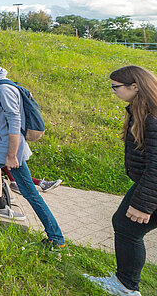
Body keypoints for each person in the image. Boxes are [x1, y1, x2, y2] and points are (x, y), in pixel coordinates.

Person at [0, 49, 65, 247]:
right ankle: (56, 238)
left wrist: (11, 155)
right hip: (2, 145)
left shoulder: (3, 88)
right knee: (29, 192)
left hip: (9, 147)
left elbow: (14, 123)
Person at [84, 66, 157, 296]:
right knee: (125, 226)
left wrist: (143, 204)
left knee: (127, 228)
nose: (113, 91)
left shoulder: (152, 119)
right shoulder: (142, 112)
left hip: (151, 187)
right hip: (147, 183)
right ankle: (125, 283)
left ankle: (126, 287)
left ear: (134, 87)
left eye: (115, 87)